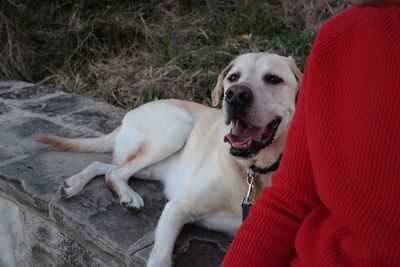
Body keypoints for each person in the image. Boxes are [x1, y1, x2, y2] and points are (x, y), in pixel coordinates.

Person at [221, 1, 400, 266]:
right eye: (233, 81)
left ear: (298, 92)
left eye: (273, 80)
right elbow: (288, 202)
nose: (240, 91)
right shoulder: (342, 37)